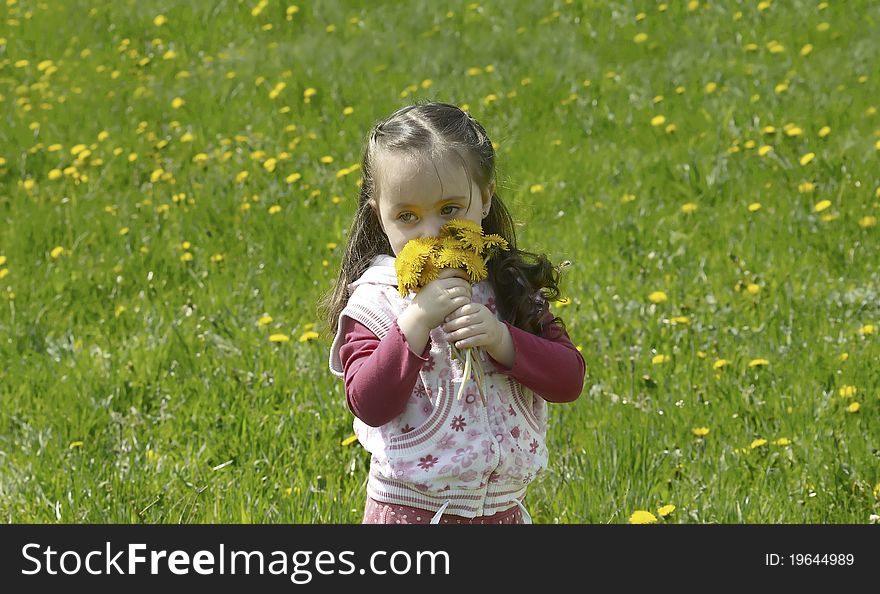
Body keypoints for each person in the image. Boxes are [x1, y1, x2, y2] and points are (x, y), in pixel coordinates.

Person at [320, 101, 585, 524]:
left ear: (484, 198)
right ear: (380, 218)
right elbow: (367, 403)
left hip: (501, 508)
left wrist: (503, 340)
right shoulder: (377, 301)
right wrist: (415, 324)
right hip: (412, 509)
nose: (429, 232)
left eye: (449, 210)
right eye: (407, 216)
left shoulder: (507, 284)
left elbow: (569, 380)